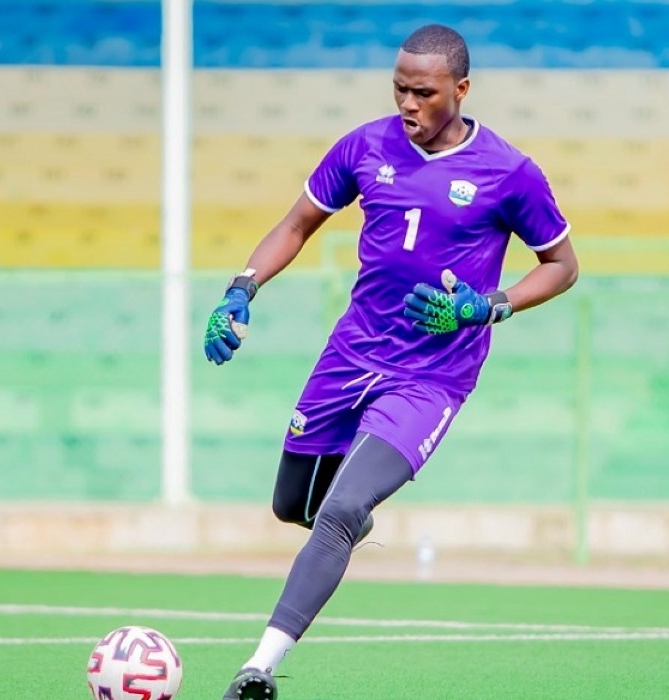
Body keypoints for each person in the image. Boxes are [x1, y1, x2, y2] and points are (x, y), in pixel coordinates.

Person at [201, 23, 579, 700]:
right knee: (295, 504)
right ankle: (347, 523)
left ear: (461, 90)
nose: (408, 103)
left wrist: (491, 305)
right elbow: (295, 226)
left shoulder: (508, 172)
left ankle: (256, 668)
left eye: (424, 93)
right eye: (400, 89)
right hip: (349, 356)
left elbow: (562, 266)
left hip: (432, 377)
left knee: (341, 508)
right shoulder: (363, 147)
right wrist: (240, 289)